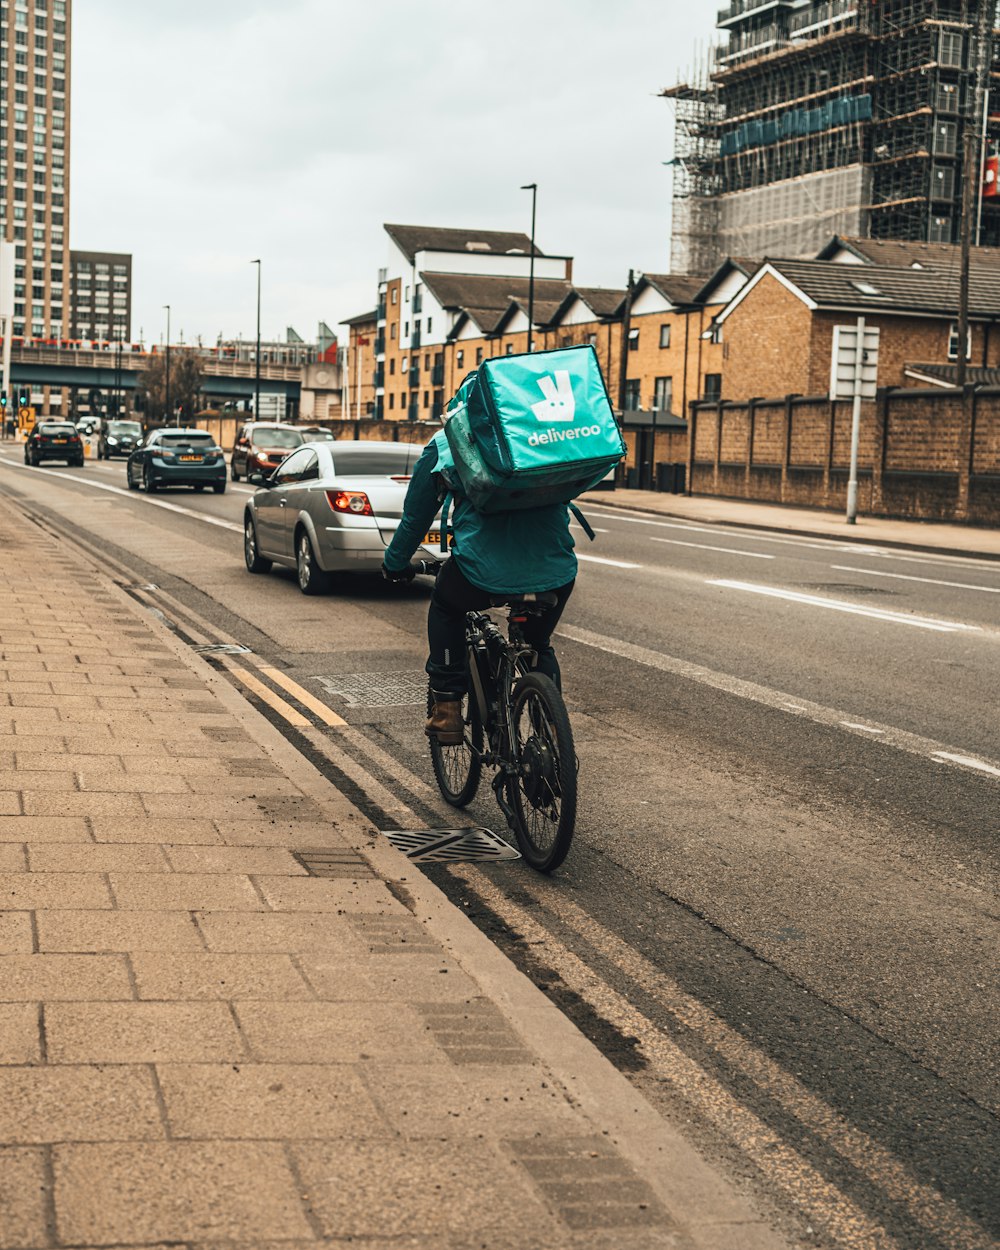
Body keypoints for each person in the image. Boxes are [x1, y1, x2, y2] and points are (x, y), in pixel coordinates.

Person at [382, 424, 576, 746]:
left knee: (446, 605)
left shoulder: (448, 441)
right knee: (537, 644)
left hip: (481, 571)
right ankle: (553, 735)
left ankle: (446, 711)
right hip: (556, 570)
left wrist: (394, 563)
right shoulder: (541, 433)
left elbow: (416, 517)